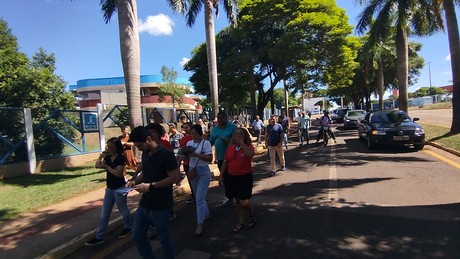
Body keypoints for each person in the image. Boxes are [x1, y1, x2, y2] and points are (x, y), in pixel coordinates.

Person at [128, 126, 180, 259]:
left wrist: (150, 186)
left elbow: (174, 178)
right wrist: (136, 181)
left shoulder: (166, 155)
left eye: (139, 145)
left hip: (161, 205)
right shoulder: (145, 154)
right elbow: (146, 172)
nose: (138, 149)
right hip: (145, 204)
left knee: (164, 239)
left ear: (149, 139)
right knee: (137, 236)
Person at [85, 137, 133, 246]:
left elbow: (119, 174)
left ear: (117, 147)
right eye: (108, 146)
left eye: (112, 146)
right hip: (110, 188)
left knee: (123, 208)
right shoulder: (108, 157)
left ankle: (128, 226)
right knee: (104, 213)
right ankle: (99, 236)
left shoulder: (120, 158)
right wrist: (102, 156)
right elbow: (97, 165)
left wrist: (107, 166)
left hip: (119, 187)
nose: (110, 148)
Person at [220, 127, 256, 233]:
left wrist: (242, 144)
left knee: (244, 201)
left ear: (245, 137)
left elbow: (250, 155)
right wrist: (221, 175)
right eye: (236, 134)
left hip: (245, 177)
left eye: (241, 135)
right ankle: (240, 221)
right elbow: (225, 162)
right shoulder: (230, 148)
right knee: (238, 201)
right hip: (232, 177)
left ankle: (251, 214)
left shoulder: (248, 146)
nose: (238, 136)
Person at [186, 124, 213, 236]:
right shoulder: (189, 143)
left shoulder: (206, 143)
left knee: (199, 198)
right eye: (191, 134)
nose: (193, 136)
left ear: (200, 133)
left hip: (203, 172)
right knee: (199, 196)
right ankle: (205, 214)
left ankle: (199, 224)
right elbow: (186, 156)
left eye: (195, 134)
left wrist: (197, 155)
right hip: (192, 171)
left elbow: (210, 159)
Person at [209, 111, 237, 206]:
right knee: (225, 178)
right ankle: (230, 197)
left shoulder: (233, 127)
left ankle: (236, 197)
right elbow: (211, 141)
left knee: (233, 178)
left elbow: (239, 139)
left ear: (226, 118)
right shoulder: (215, 129)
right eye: (218, 118)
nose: (220, 120)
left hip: (232, 158)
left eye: (222, 118)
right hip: (220, 158)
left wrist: (229, 140)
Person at [179, 122, 196, 204]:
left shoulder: (194, 138)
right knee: (190, 179)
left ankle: (197, 194)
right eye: (184, 128)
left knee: (196, 178)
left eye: (187, 127)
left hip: (194, 162)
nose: (185, 129)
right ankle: (194, 195)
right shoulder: (183, 138)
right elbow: (181, 149)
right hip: (186, 162)